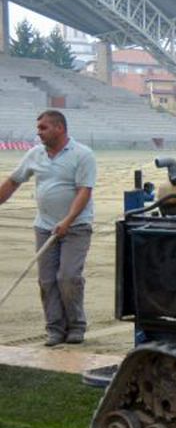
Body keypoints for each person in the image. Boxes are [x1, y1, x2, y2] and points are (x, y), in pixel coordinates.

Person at [0, 110, 97, 346]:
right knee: (47, 280)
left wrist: (68, 220)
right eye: (38, 128)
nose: (39, 132)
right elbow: (13, 181)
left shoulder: (82, 154)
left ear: (59, 128)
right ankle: (55, 328)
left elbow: (84, 191)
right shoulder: (35, 154)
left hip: (76, 227)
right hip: (44, 226)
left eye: (43, 128)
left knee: (68, 277)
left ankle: (76, 326)